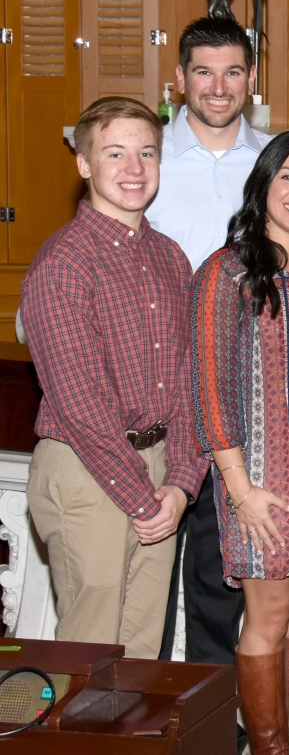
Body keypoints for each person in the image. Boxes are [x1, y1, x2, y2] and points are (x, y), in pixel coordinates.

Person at [190, 130, 289, 755]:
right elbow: (210, 387)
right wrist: (240, 492)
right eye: (288, 176)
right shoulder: (228, 271)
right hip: (264, 486)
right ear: (264, 183)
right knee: (267, 623)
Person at [22, 96, 202, 658]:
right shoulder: (63, 264)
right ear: (83, 163)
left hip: (158, 466)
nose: (134, 169)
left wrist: (180, 483)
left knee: (143, 654)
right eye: (115, 153)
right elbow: (80, 403)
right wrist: (144, 499)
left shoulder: (170, 257)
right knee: (90, 654)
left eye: (147, 153)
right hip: (85, 468)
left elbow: (188, 379)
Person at [147, 18, 265, 721]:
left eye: (232, 73)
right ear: (181, 79)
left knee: (223, 589)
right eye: (202, 73)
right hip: (158, 404)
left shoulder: (274, 161)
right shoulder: (147, 157)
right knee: (147, 590)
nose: (218, 88)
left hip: (240, 408)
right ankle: (143, 727)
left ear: (252, 80)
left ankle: (213, 731)